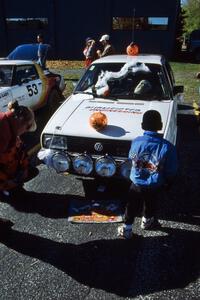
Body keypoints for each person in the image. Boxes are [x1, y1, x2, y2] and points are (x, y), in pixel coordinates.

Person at [118, 110, 178, 239]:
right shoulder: (168, 147)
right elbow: (171, 170)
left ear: (142, 125)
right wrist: (169, 182)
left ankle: (127, 229)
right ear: (160, 126)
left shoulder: (136, 142)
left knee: (131, 205)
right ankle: (146, 222)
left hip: (136, 183)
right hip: (154, 184)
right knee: (150, 203)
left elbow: (131, 158)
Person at [0, 100, 38, 198]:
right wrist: (8, 182)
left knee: (31, 171)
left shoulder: (9, 127)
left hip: (8, 171)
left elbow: (21, 152)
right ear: (21, 121)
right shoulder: (4, 135)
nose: (25, 131)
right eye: (27, 127)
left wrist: (23, 169)